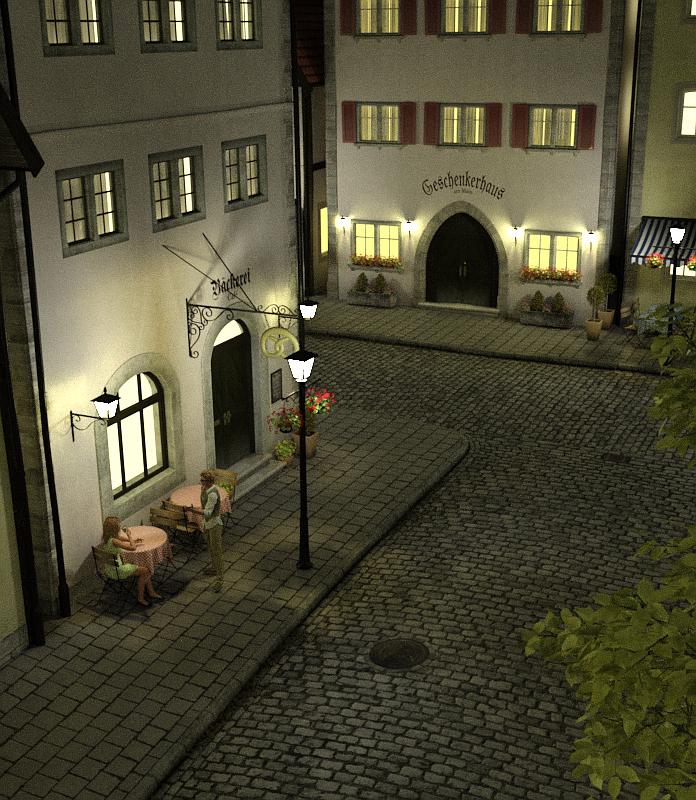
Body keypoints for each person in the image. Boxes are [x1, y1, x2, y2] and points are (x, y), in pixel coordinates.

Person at [100, 516, 162, 607]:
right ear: (115, 529)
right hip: (118, 571)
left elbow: (120, 538)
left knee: (143, 569)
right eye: (118, 526)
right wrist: (129, 535)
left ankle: (151, 592)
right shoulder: (115, 541)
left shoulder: (107, 538)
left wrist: (133, 540)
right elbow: (132, 548)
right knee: (146, 571)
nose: (120, 528)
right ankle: (141, 598)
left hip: (109, 568)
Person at [200, 470, 224, 592]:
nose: (201, 482)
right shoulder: (205, 489)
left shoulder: (212, 494)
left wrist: (195, 511)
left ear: (209, 481)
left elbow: (208, 513)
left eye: (203, 480)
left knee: (217, 551)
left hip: (214, 524)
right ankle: (214, 568)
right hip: (208, 524)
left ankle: (220, 579)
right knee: (210, 548)